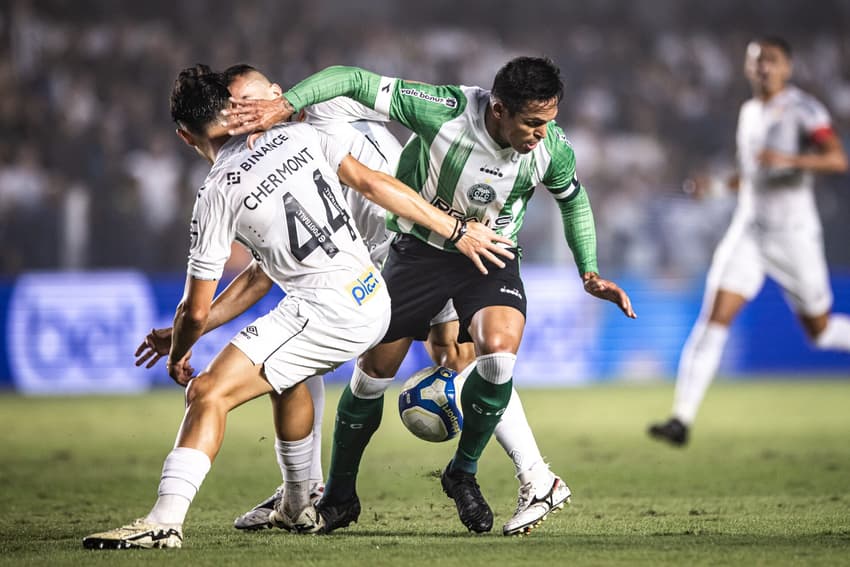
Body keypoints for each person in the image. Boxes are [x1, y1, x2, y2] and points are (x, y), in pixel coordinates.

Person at [83, 64, 511, 550]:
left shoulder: (217, 192)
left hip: (326, 309)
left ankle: (163, 519)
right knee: (285, 376)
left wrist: (181, 348)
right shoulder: (299, 137)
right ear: (235, 111)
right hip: (370, 292)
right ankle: (296, 501)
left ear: (185, 136)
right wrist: (454, 229)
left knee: (207, 393)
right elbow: (371, 187)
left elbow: (194, 309)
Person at [224, 56, 636, 534]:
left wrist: (589, 272)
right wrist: (286, 104)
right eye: (532, 123)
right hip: (416, 252)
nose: (542, 133)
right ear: (498, 110)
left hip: (490, 256)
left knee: (497, 354)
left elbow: (574, 200)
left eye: (549, 122)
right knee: (372, 374)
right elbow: (355, 79)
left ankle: (464, 471)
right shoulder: (444, 109)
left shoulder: (552, 149)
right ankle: (338, 496)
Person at [648, 36, 850, 447]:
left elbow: (836, 158)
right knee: (712, 320)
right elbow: (751, 176)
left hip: (793, 236)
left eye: (771, 61)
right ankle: (680, 419)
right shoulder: (748, 112)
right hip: (748, 233)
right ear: (746, 68)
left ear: (787, 67)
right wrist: (718, 187)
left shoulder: (803, 109)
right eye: (756, 62)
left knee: (821, 331)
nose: (763, 69)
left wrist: (792, 160)